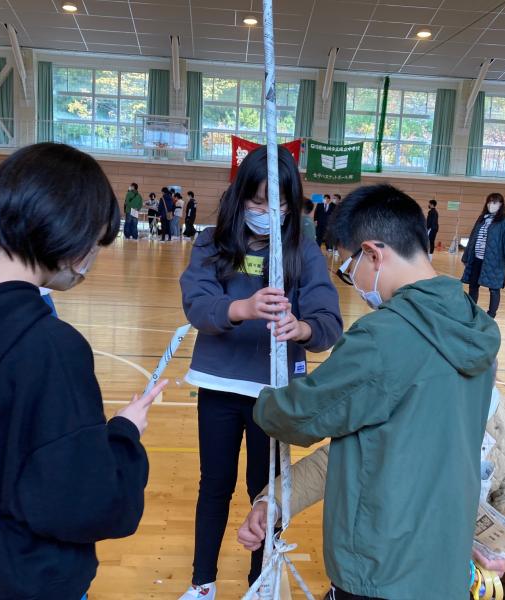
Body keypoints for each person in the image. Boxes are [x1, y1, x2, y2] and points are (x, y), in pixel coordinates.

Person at [0, 142, 166, 599]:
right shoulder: (50, 347)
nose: (90, 259)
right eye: (93, 242)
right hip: (26, 583)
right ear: (67, 232)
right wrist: (123, 436)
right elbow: (80, 503)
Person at [252, 183, 500, 600]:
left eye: (348, 269)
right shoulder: (475, 326)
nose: (354, 282)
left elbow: (301, 416)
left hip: (382, 562)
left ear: (372, 253)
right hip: (446, 556)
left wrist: (261, 403)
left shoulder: (383, 337)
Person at [177, 145, 343, 600]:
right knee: (215, 484)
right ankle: (202, 583)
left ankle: (262, 581)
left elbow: (328, 321)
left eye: (280, 205)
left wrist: (302, 328)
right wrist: (242, 308)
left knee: (267, 491)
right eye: (257, 202)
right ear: (240, 196)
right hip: (219, 384)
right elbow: (197, 303)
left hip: (274, 393)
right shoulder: (212, 241)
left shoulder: (302, 250)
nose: (268, 213)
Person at [240, 386, 505, 600]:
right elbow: (330, 464)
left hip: (469, 539)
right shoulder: (408, 406)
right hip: (404, 533)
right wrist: (273, 503)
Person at [462, 193, 505, 319]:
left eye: (495, 202)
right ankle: (471, 311)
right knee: (473, 286)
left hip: (495, 261)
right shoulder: (481, 218)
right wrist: (466, 256)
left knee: (494, 288)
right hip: (477, 258)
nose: (491, 205)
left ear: (501, 204)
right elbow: (472, 238)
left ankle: (491, 315)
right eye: (489, 202)